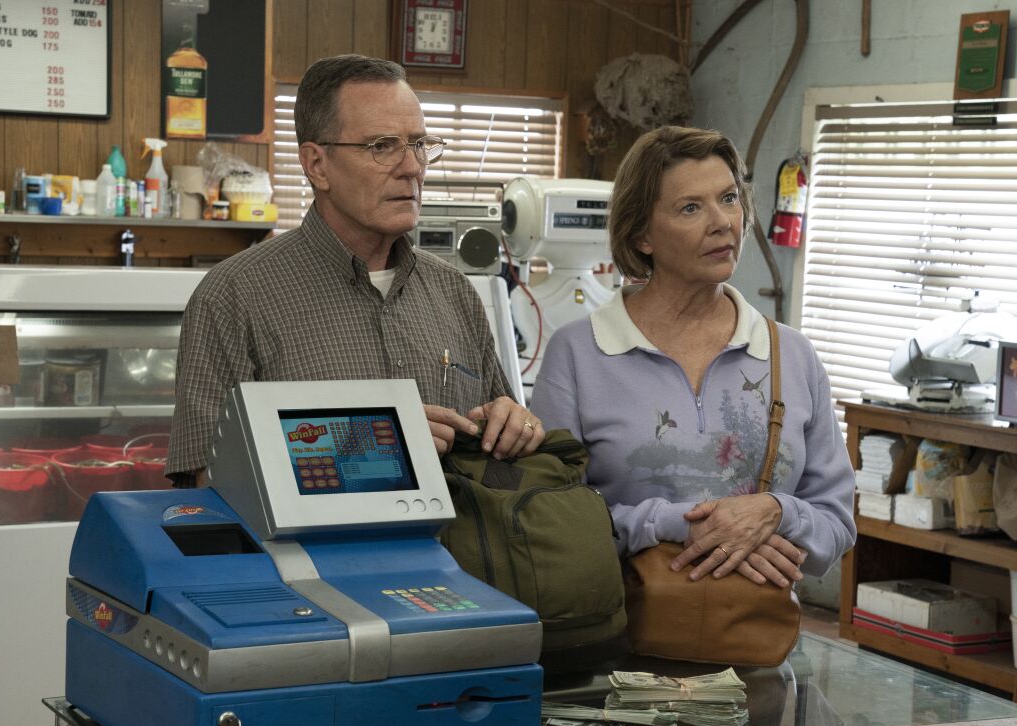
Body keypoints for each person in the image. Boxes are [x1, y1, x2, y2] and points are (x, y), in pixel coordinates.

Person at [167, 54, 544, 487]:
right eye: (382, 146)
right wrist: (370, 446)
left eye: (419, 144)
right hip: (311, 555)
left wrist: (516, 425)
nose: (412, 168)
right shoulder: (234, 297)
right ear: (316, 165)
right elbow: (207, 479)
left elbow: (503, 430)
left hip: (457, 552)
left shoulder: (455, 292)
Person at [530, 126, 854, 586]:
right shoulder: (579, 352)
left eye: (729, 199)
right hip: (621, 645)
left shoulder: (791, 354)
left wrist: (776, 511)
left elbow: (837, 522)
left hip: (754, 646)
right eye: (690, 208)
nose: (722, 222)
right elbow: (548, 515)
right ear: (643, 235)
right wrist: (676, 525)